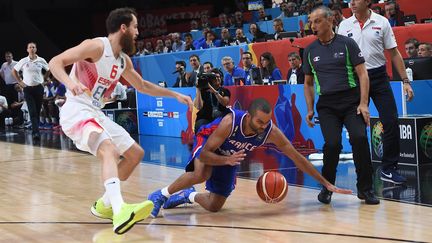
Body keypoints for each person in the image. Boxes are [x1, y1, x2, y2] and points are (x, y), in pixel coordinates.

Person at [48, 7, 193, 234]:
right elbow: (55, 62)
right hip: (76, 110)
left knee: (136, 154)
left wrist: (175, 95)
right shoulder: (96, 46)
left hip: (95, 112)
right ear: (123, 28)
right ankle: (119, 210)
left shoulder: (123, 61)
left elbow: (143, 86)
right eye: (135, 27)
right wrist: (70, 83)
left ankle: (105, 204)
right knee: (109, 151)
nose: (137, 32)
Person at [147, 98, 352, 217]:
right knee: (202, 172)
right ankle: (160, 194)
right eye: (260, 122)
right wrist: (226, 160)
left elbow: (297, 158)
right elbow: (207, 154)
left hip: (230, 155)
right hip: (208, 142)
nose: (264, 126)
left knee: (214, 206)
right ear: (249, 115)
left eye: (267, 122)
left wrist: (325, 183)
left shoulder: (270, 132)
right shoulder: (230, 122)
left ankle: (187, 195)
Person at [304, 6, 379, 205]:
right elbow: (308, 83)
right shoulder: (310, 50)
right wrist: (310, 109)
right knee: (333, 144)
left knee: (359, 138)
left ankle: (366, 189)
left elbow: (363, 74)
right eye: (311, 22)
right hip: (327, 105)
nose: (313, 26)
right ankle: (327, 187)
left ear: (330, 21)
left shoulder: (347, 44)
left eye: (317, 21)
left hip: (351, 102)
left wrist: (363, 104)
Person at [338, 0, 414, 184]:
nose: (352, 3)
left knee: (391, 120)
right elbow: (339, 56)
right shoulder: (344, 25)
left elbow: (394, 53)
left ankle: (388, 168)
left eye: (356, 0)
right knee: (357, 128)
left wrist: (405, 81)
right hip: (355, 79)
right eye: (350, 1)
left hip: (379, 77)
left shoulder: (382, 22)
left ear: (367, 2)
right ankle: (363, 170)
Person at [12, 42, 50, 140]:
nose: (32, 49)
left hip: (39, 88)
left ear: (36, 49)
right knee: (32, 111)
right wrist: (20, 82)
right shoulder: (24, 60)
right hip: (28, 89)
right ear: (27, 50)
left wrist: (44, 79)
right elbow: (14, 71)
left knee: (37, 111)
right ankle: (35, 133)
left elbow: (49, 69)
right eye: (30, 47)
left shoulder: (41, 60)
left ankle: (36, 129)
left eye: (33, 47)